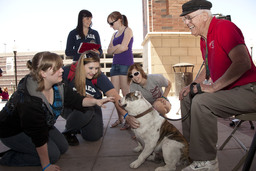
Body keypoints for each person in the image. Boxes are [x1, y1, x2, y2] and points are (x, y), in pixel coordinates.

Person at [0, 51, 113, 171]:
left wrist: (95, 102)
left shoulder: (59, 86)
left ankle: (28, 149)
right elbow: (38, 135)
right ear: (43, 73)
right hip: (14, 132)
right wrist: (46, 165)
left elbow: (76, 100)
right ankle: (8, 158)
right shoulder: (30, 101)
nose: (62, 70)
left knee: (63, 147)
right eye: (56, 68)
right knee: (52, 155)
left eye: (60, 66)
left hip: (43, 125)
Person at [179, 0, 256, 171]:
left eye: (189, 18)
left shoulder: (224, 27)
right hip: (231, 92)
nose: (186, 23)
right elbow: (207, 70)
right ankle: (192, 152)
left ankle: (207, 162)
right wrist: (192, 85)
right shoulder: (203, 39)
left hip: (250, 90)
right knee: (187, 97)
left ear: (204, 16)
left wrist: (213, 88)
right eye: (184, 19)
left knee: (202, 102)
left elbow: (243, 62)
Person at [62, 51, 139, 145]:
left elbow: (115, 97)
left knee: (93, 137)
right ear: (81, 65)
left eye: (96, 68)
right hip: (70, 107)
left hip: (92, 107)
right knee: (87, 109)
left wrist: (127, 116)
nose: (94, 72)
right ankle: (69, 131)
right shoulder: (67, 71)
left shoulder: (98, 76)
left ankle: (80, 125)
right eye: (90, 68)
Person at [107, 11, 134, 127]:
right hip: (115, 66)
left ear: (119, 20)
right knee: (114, 95)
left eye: (112, 23)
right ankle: (121, 118)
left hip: (126, 64)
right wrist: (117, 47)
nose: (110, 26)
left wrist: (116, 47)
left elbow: (124, 48)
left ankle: (130, 119)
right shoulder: (114, 35)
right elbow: (108, 51)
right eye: (109, 24)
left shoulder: (128, 30)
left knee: (126, 94)